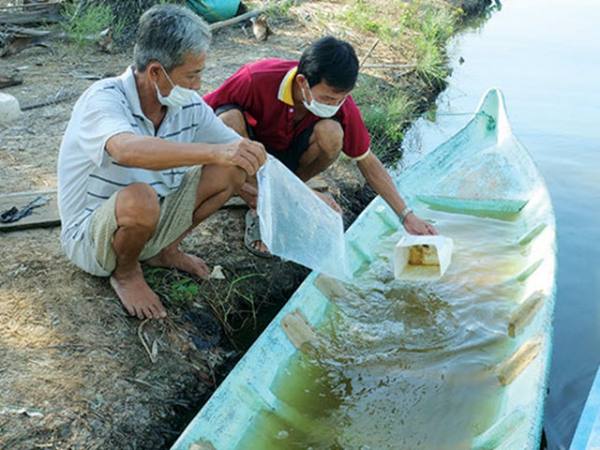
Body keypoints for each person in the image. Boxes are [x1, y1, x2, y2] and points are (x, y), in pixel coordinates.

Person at [57, 4, 266, 320]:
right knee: (142, 197)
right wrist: (211, 152)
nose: (198, 85)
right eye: (191, 74)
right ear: (156, 71)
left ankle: (165, 250)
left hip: (150, 220)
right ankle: (126, 273)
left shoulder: (188, 106)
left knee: (232, 168)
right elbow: (126, 149)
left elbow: (237, 149)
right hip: (91, 240)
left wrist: (304, 194)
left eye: (200, 73)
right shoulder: (103, 98)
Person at [203, 36, 437, 257]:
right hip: (251, 156)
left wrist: (406, 215)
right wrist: (309, 197)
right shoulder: (255, 78)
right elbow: (200, 114)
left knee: (332, 134)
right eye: (327, 99)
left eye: (341, 99)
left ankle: (285, 194)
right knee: (227, 120)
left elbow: (366, 160)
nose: (334, 105)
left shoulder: (342, 105)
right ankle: (260, 203)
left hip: (290, 159)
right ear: (302, 82)